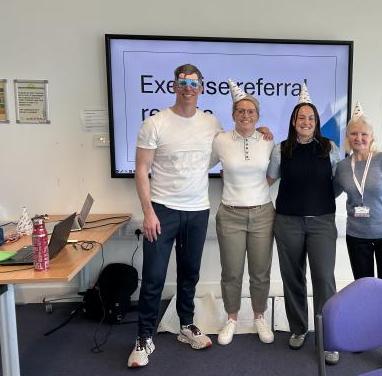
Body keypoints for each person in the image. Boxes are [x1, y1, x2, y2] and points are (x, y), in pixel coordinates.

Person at [128, 64, 221, 368]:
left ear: (201, 88)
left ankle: (186, 325)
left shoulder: (211, 123)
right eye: (182, 82)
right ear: (173, 86)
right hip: (162, 211)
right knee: (153, 277)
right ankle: (144, 337)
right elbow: (142, 170)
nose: (187, 88)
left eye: (193, 83)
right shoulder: (155, 123)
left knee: (189, 273)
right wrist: (148, 212)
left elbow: (231, 145)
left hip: (197, 210)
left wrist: (260, 132)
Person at [267, 83, 340, 365]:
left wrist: (318, 202)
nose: (306, 122)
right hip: (287, 222)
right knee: (293, 278)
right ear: (293, 122)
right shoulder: (280, 149)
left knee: (324, 279)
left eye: (311, 118)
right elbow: (269, 181)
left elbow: (337, 182)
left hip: (322, 222)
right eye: (301, 118)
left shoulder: (329, 148)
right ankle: (298, 328)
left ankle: (330, 338)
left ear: (316, 122)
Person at [333, 102, 382, 368]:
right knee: (365, 293)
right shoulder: (342, 167)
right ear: (348, 138)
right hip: (357, 238)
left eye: (363, 134)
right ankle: (365, 337)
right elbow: (328, 193)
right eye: (354, 134)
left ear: (372, 137)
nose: (359, 138)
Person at [210, 80, 275, 345]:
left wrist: (257, 187)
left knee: (260, 271)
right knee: (232, 272)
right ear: (233, 114)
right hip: (231, 214)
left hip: (262, 214)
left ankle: (259, 316)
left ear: (258, 116)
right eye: (241, 111)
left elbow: (275, 173)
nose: (246, 115)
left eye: (251, 111)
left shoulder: (268, 141)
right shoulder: (221, 140)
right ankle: (232, 318)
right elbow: (201, 165)